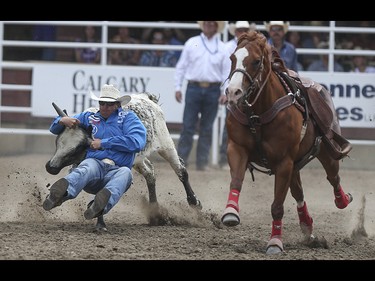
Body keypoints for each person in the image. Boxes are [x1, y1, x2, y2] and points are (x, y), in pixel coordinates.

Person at [42, 84, 147, 220]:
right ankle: (60, 194)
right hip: (95, 165)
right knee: (86, 167)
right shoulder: (89, 117)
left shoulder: (129, 119)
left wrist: (103, 143)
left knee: (125, 174)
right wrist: (61, 120)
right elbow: (55, 129)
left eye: (109, 104)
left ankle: (97, 206)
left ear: (117, 105)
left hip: (118, 169)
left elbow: (136, 142)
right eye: (102, 103)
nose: (104, 107)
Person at [174, 21, 231, 171]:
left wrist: (225, 91)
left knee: (207, 128)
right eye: (207, 22)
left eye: (212, 23)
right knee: (188, 126)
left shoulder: (223, 48)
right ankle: (181, 161)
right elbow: (181, 66)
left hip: (212, 90)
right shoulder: (192, 43)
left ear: (216, 26)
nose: (209, 24)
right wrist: (177, 86)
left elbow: (226, 72)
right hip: (193, 87)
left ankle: (202, 162)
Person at [219, 21, 256, 169]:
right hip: (233, 90)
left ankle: (249, 159)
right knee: (230, 124)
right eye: (240, 30)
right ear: (235, 31)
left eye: (245, 30)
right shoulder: (227, 47)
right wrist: (225, 92)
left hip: (246, 90)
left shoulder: (251, 48)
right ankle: (224, 158)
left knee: (249, 124)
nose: (242, 32)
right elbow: (223, 70)